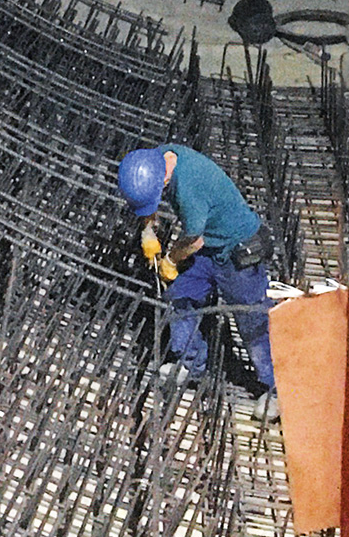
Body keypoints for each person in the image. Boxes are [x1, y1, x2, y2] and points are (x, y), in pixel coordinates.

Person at [118, 145, 278, 403]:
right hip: (211, 247)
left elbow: (193, 242)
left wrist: (169, 260)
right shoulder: (158, 159)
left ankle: (277, 389)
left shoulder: (189, 189)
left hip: (237, 252)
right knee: (179, 296)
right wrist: (147, 231)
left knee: (252, 324)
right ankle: (190, 364)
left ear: (165, 180)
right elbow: (147, 194)